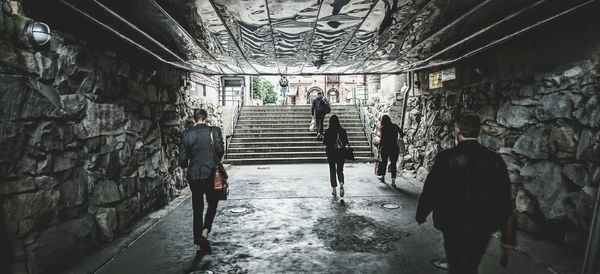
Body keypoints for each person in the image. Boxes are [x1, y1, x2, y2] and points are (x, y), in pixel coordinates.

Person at [415, 113, 516, 274]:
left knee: (457, 263)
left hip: (452, 223)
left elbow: (432, 189)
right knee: (472, 262)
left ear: (457, 130)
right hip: (483, 224)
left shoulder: (446, 158)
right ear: (479, 132)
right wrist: (508, 238)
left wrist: (422, 213)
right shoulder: (495, 160)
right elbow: (504, 200)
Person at [179, 109, 225, 254]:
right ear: (206, 118)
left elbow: (182, 161)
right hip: (211, 174)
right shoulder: (214, 131)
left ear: (194, 119)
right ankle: (205, 232)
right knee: (212, 203)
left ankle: (198, 244)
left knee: (197, 209)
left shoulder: (186, 135)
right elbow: (220, 151)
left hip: (194, 177)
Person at [323, 115, 349, 197]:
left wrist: (332, 145)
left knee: (332, 170)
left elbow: (325, 142)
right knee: (340, 169)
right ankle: (341, 183)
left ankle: (334, 189)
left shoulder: (328, 131)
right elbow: (346, 142)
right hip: (341, 153)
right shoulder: (342, 131)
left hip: (331, 153)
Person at [376, 115, 403, 188]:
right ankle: (393, 182)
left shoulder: (383, 128)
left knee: (383, 163)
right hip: (394, 147)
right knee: (393, 164)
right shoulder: (395, 126)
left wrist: (379, 148)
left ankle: (383, 177)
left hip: (386, 148)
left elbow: (382, 139)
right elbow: (402, 134)